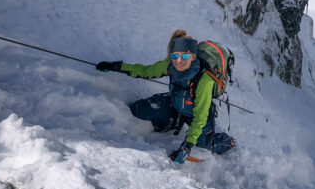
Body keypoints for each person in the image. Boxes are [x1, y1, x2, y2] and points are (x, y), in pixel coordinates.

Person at [96, 29, 234, 162]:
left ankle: (227, 142)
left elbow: (200, 117)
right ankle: (173, 121)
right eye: (175, 56)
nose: (179, 60)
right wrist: (119, 67)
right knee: (139, 110)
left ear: (193, 57)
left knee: (205, 145)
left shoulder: (205, 80)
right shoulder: (169, 66)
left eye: (184, 56)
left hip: (198, 115)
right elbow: (145, 71)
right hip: (176, 104)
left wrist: (188, 144)